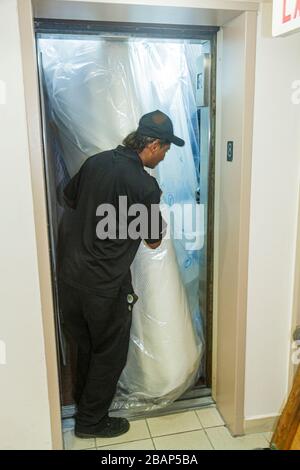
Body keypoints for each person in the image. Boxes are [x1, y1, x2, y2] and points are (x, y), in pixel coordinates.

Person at [58, 110, 185, 439]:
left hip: (70, 279)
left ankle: (84, 408)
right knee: (108, 355)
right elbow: (153, 238)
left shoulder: (95, 162)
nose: (165, 155)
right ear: (153, 145)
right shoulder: (144, 184)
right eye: (166, 149)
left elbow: (69, 198)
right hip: (104, 286)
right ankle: (91, 422)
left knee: (84, 347)